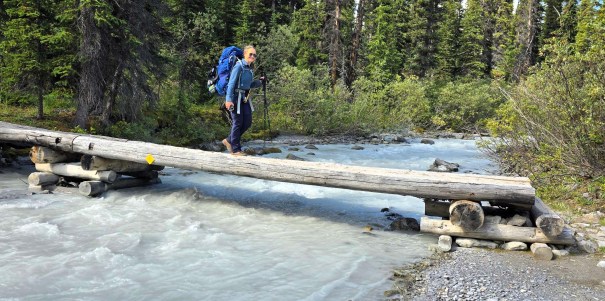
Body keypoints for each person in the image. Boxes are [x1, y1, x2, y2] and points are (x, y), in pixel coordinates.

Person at [222, 45, 264, 156]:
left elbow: (249, 85)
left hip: (244, 98)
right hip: (235, 98)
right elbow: (231, 83)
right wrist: (228, 100)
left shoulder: (249, 68)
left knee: (247, 122)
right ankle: (236, 150)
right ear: (245, 54)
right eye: (250, 54)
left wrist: (260, 82)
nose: (252, 56)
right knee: (238, 122)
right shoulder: (239, 66)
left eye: (254, 55)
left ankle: (229, 140)